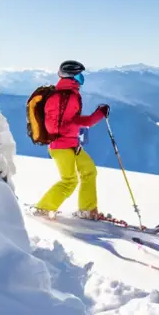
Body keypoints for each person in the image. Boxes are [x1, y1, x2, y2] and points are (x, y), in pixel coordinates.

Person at [33, 60, 110, 220]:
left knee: (89, 170)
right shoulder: (61, 97)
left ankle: (87, 210)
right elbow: (54, 126)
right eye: (80, 76)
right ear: (72, 76)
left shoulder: (69, 95)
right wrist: (98, 115)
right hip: (61, 146)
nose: (81, 80)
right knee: (69, 181)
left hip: (71, 145)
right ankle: (42, 209)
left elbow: (71, 120)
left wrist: (91, 119)